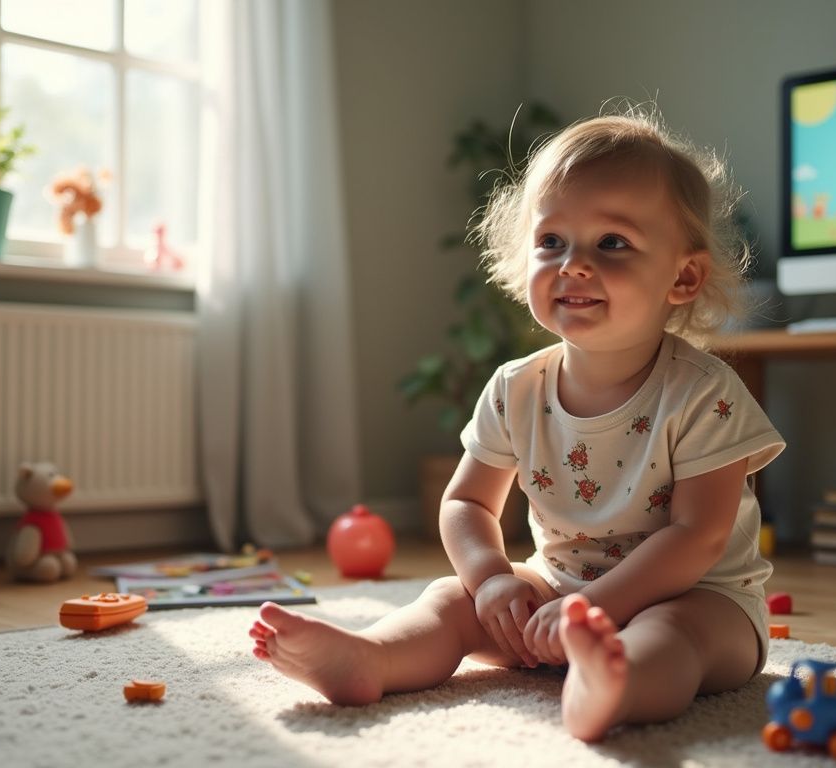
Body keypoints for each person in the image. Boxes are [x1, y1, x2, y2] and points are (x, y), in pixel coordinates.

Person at [249, 108, 785, 742]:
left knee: (671, 637)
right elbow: (467, 502)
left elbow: (696, 538)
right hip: (555, 589)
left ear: (684, 276)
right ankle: (371, 658)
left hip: (699, 598)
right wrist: (495, 580)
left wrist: (597, 610)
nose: (573, 264)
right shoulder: (516, 387)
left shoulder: (703, 394)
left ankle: (615, 687)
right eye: (552, 242)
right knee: (450, 600)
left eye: (611, 243)